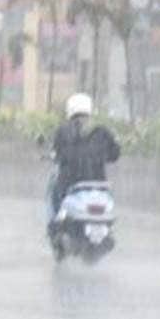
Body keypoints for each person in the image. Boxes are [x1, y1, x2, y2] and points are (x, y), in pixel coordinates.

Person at [48, 93, 120, 232]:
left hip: (70, 183)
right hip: (99, 184)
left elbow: (57, 152)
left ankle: (56, 225)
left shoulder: (63, 130)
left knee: (55, 193)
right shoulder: (102, 131)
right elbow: (115, 154)